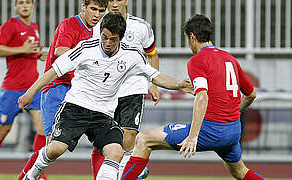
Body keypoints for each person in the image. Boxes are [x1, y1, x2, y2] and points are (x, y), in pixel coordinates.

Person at [18, 13, 192, 180]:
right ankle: (31, 175)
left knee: (116, 152)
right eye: (104, 37)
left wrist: (178, 85)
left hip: (103, 115)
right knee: (55, 149)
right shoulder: (86, 48)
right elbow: (54, 71)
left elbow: (156, 76)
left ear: (121, 38)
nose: (107, 43)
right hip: (76, 107)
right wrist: (30, 92)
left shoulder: (132, 55)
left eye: (113, 39)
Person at [120, 14, 266, 180]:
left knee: (143, 139)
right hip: (232, 131)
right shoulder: (230, 59)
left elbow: (202, 97)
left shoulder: (198, 60)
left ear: (192, 36)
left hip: (210, 130)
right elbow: (251, 94)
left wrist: (193, 137)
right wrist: (233, 111)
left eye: (187, 39)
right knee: (240, 171)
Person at [17, 0, 109, 179]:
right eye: (93, 9)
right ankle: (25, 177)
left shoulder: (99, 31)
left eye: (101, 11)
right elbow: (61, 50)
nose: (97, 15)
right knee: (53, 146)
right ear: (83, 6)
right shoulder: (70, 24)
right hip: (57, 88)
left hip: (81, 92)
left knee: (103, 140)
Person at [0, 0, 48, 180]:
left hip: (32, 87)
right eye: (20, 3)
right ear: (15, 6)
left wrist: (38, 54)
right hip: (12, 89)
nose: (24, 6)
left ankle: (36, 171)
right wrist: (21, 49)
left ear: (33, 5)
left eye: (28, 2)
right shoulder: (10, 26)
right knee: (2, 131)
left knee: (42, 129)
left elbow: (28, 53)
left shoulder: (34, 27)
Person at [91, 0, 160, 179]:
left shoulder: (141, 26)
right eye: (110, 0)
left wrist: (153, 83)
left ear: (126, 1)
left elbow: (152, 54)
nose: (114, 4)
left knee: (128, 136)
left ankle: (126, 173)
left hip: (133, 88)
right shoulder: (96, 26)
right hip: (107, 90)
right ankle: (124, 171)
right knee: (105, 140)